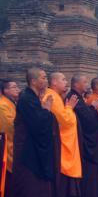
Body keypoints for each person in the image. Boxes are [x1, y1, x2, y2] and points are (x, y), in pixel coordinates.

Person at [11, 68, 54, 197]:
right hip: (27, 150)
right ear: (34, 81)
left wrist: (43, 108)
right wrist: (46, 110)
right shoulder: (27, 98)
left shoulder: (33, 97)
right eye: (43, 77)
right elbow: (38, 124)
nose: (46, 80)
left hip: (33, 148)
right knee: (30, 186)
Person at [66, 75, 98, 197]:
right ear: (76, 85)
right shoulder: (74, 98)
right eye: (84, 82)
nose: (87, 84)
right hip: (86, 142)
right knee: (89, 174)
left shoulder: (79, 98)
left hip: (91, 139)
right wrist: (93, 107)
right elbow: (87, 119)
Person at [42, 73, 81, 196]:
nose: (66, 82)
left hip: (62, 142)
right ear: (54, 82)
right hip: (60, 145)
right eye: (63, 79)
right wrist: (69, 108)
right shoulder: (51, 96)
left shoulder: (55, 96)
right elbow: (65, 120)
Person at [0, 79, 19, 197]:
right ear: (5, 90)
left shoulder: (12, 103)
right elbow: (10, 127)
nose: (17, 89)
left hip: (15, 144)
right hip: (7, 146)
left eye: (17, 86)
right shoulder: (2, 105)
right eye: (13, 87)